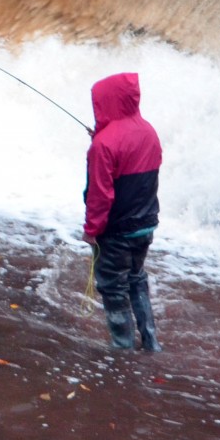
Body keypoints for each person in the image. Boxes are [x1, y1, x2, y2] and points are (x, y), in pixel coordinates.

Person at [82, 72, 161, 351]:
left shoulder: (103, 145)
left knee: (114, 288)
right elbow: (131, 156)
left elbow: (100, 195)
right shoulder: (149, 131)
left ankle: (123, 347)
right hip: (146, 226)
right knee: (137, 279)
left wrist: (92, 231)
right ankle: (151, 342)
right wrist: (102, 138)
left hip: (116, 232)